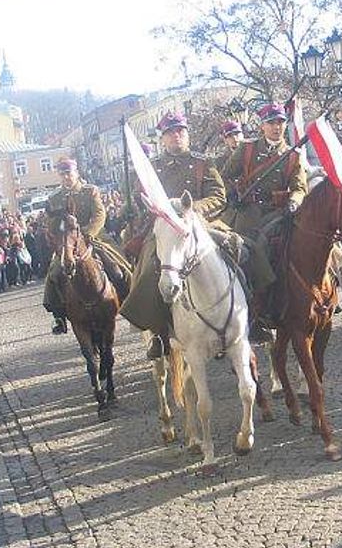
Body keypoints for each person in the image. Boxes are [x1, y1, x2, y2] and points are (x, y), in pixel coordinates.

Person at [120, 112, 227, 359]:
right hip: (165, 230)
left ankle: (251, 315)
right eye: (170, 132)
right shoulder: (153, 168)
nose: (176, 136)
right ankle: (157, 330)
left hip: (199, 224)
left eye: (180, 131)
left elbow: (218, 195)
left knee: (240, 249)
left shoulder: (202, 163)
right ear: (163, 139)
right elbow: (141, 197)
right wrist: (138, 205)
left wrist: (192, 209)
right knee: (148, 268)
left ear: (186, 134)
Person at [219, 102, 308, 336]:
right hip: (248, 213)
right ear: (262, 126)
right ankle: (253, 311)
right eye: (271, 123)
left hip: (278, 213)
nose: (276, 127)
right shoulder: (247, 149)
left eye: (280, 122)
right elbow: (224, 176)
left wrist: (294, 202)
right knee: (245, 253)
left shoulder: (292, 155)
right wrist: (232, 193)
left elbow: (299, 187)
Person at [42, 157, 132, 335]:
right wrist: (58, 232)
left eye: (69, 173)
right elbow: (52, 225)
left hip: (93, 237)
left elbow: (99, 214)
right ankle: (58, 315)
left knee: (118, 268)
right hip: (68, 243)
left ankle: (129, 302)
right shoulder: (54, 198)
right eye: (62, 174)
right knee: (54, 274)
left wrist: (88, 232)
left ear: (76, 173)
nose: (66, 177)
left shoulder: (89, 191)